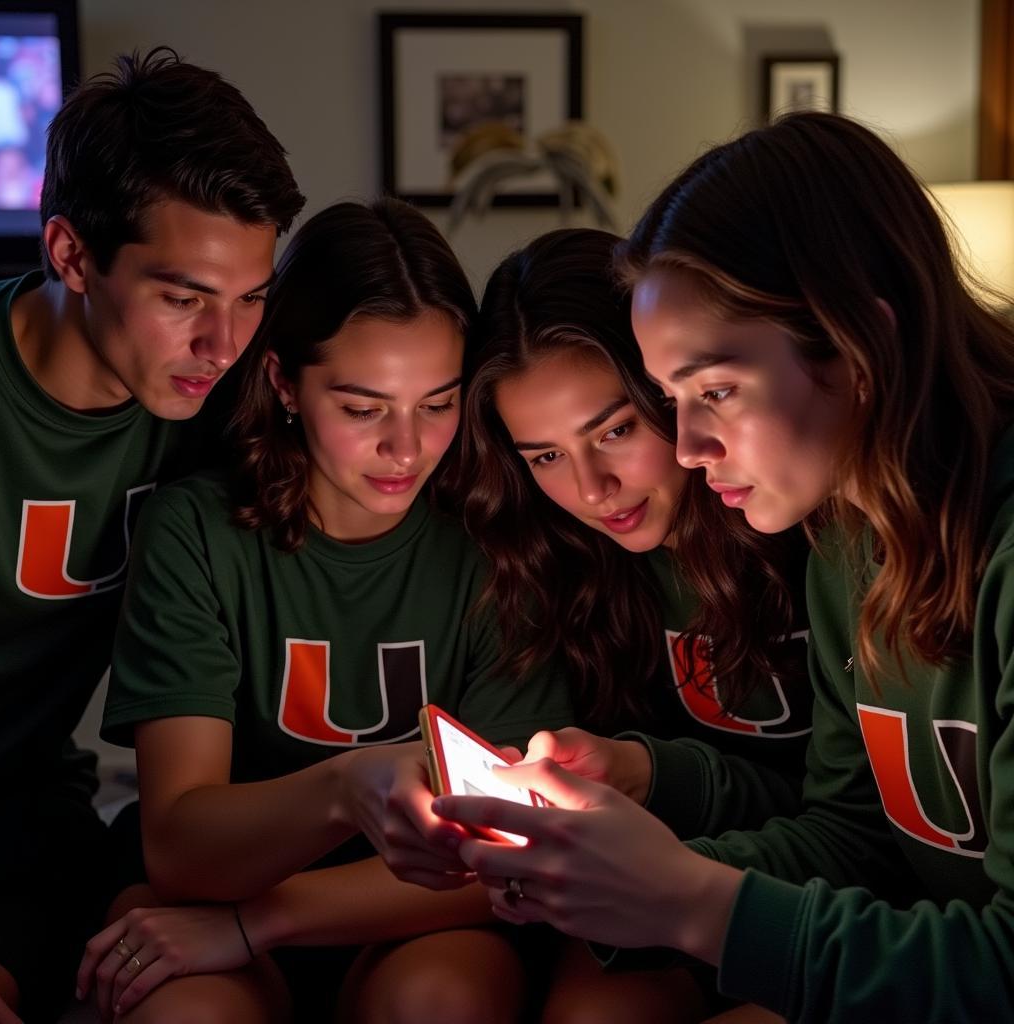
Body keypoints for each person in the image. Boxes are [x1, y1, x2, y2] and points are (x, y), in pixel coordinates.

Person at [424, 111, 1014, 1023]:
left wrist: (689, 901)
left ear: (860, 343)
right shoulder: (847, 539)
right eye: (669, 401)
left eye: (717, 392)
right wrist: (610, 875)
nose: (690, 445)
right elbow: (856, 839)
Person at [77, 198, 573, 1024]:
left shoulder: (497, 545)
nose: (406, 448)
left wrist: (259, 920)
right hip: (213, 899)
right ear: (283, 383)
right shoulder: (198, 532)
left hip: (413, 919)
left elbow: (507, 863)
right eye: (362, 408)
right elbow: (180, 847)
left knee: (438, 1003)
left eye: (437, 403)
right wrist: (348, 785)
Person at [0, 47, 303, 1024]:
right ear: (72, 255)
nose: (225, 343)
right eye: (183, 298)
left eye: (250, 297)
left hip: (42, 819)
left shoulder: (223, 402)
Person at [454, 227, 809, 1023]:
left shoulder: (800, 516)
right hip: (673, 889)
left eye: (614, 430)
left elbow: (843, 821)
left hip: (820, 900)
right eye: (544, 457)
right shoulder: (566, 565)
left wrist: (649, 772)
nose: (592, 487)